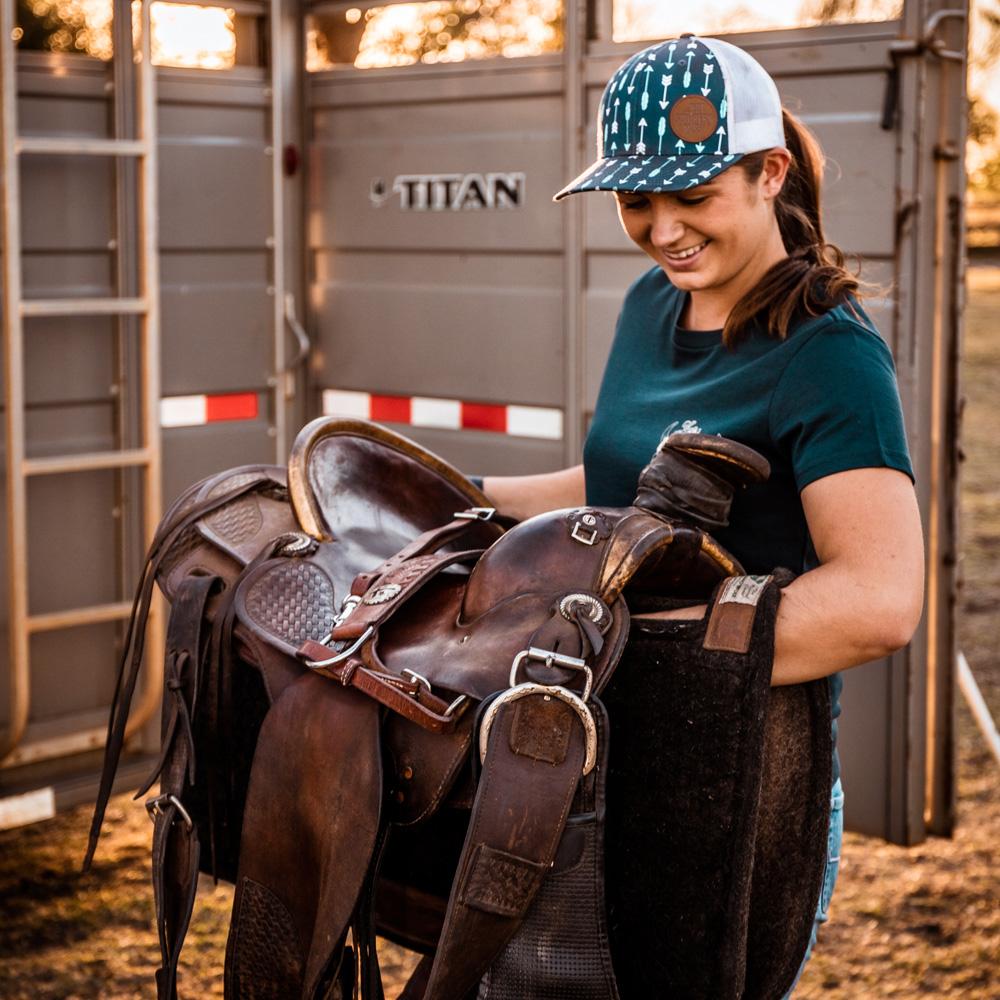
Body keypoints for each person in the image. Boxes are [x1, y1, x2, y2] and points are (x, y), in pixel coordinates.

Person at [474, 33, 924, 993]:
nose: (664, 229)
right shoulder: (652, 302)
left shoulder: (829, 352)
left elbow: (881, 598)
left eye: (693, 197)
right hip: (609, 745)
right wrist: (466, 499)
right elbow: (617, 484)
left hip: (745, 778)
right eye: (638, 202)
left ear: (770, 173)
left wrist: (647, 647)